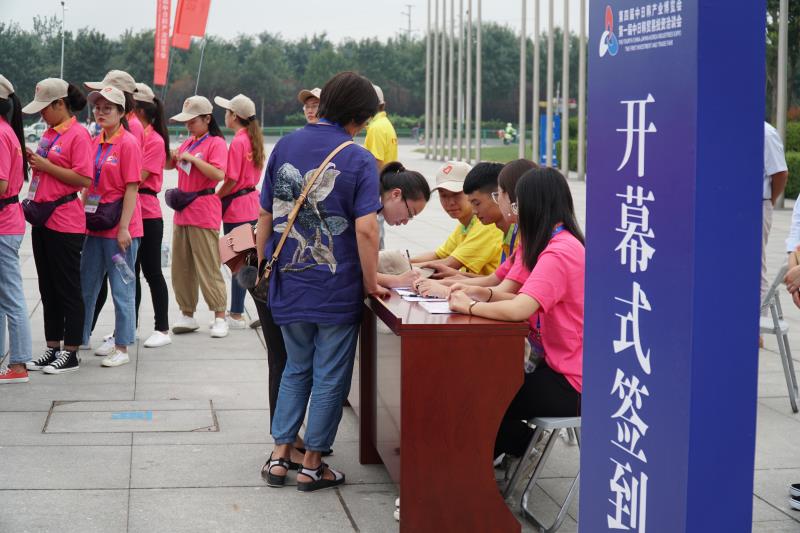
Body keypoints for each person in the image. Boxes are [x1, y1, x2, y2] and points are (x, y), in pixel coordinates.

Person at [260, 71, 387, 492]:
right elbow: (366, 230)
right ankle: (313, 465)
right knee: (330, 373)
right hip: (335, 287)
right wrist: (372, 283)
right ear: (360, 116)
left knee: (296, 367)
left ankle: (280, 456)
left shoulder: (286, 145)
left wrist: (267, 266)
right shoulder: (358, 158)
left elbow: (265, 215)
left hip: (289, 281)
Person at [448, 167, 584, 460]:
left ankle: (512, 452)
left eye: (515, 203)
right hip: (556, 366)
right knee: (478, 385)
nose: (511, 210)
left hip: (572, 382)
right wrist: (480, 294)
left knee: (482, 400)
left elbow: (520, 308)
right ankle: (506, 452)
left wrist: (468, 306)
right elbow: (521, 297)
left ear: (533, 205)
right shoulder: (552, 243)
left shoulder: (559, 252)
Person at [21, 78, 92, 375]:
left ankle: (71, 351)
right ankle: (53, 347)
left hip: (65, 220)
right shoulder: (50, 133)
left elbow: (84, 179)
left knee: (68, 288)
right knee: (47, 287)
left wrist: (46, 165)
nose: (41, 114)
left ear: (60, 104)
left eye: (44, 108)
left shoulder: (78, 135)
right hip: (43, 218)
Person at [79, 86, 143, 368]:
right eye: (97, 108)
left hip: (120, 230)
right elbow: (88, 184)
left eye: (108, 108)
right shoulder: (95, 142)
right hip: (95, 226)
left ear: (121, 112)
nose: (101, 112)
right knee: (86, 285)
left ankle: (122, 346)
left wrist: (124, 228)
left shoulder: (128, 143)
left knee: (122, 288)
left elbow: (132, 188)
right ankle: (78, 340)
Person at [416, 158, 537, 298]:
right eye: (443, 196)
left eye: (476, 203)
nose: (450, 202)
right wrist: (456, 280)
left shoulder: (519, 237)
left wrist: (453, 291)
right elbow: (495, 280)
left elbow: (513, 297)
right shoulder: (521, 237)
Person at [167, 96, 230, 338]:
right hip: (183, 210)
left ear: (207, 119)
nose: (188, 126)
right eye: (187, 122)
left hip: (203, 210)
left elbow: (219, 174)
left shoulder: (215, 143)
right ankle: (187, 312)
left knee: (208, 265)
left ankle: (220, 315)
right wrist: (172, 155)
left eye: (192, 121)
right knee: (181, 267)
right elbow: (169, 165)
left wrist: (192, 159)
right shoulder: (189, 142)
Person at [214, 93, 263, 329]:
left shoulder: (238, 142)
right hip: (251, 203)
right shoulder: (254, 139)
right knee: (249, 260)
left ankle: (235, 313)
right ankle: (247, 309)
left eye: (227, 112)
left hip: (236, 208)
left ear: (234, 116)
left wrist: (216, 196)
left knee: (237, 261)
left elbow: (232, 179)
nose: (225, 115)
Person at [411, 161, 503, 276]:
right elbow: (440, 255)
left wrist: (405, 268)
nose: (450, 202)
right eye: (443, 195)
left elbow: (449, 264)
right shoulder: (466, 224)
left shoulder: (487, 225)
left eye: (456, 194)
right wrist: (407, 262)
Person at [132, 83, 171, 348]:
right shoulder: (135, 135)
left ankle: (162, 328)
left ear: (139, 110)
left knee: (152, 272)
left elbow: (137, 176)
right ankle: (129, 327)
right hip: (132, 210)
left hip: (147, 211)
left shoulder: (154, 140)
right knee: (131, 273)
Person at [0, 75, 32, 384]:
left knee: (11, 296)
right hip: (8, 221)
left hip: (4, 224)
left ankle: (20, 363)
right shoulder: (6, 131)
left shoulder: (0, 134)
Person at [374, 162, 432, 288]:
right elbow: (355, 269)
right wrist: (397, 280)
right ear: (396, 194)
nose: (405, 222)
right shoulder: (365, 213)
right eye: (410, 213)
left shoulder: (372, 208)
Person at [762, 122, 789, 314]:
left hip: (757, 204)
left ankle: (758, 320)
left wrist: (770, 201)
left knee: (754, 265)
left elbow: (780, 173)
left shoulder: (766, 133)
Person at [364, 85, 397, 170]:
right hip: (389, 176)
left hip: (381, 178)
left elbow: (376, 164)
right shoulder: (385, 123)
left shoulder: (376, 128)